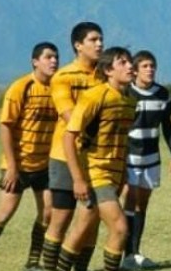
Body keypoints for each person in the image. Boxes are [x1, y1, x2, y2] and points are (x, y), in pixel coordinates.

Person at [59, 47, 136, 271]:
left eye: (130, 62)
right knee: (120, 228)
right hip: (94, 173)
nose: (130, 66)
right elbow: (68, 137)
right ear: (108, 70)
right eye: (122, 62)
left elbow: (122, 141)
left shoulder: (131, 101)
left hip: (112, 175)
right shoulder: (95, 96)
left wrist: (122, 175)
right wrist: (78, 179)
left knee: (82, 230)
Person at [42, 21, 104, 271]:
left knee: (92, 219)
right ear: (78, 45)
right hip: (64, 156)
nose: (99, 44)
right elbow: (70, 116)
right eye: (93, 39)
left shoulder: (104, 75)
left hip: (96, 158)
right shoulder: (63, 77)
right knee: (61, 218)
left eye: (101, 39)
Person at [0, 42, 59, 271]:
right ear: (35, 61)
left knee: (48, 213)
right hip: (19, 165)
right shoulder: (21, 87)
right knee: (4, 214)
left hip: (45, 166)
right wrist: (12, 167)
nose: (54, 61)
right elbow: (5, 126)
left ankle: (33, 262)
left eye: (56, 57)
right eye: (48, 57)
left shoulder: (57, 88)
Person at [121, 50, 171, 270]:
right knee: (130, 200)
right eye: (145, 66)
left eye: (152, 65)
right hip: (129, 158)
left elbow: (168, 127)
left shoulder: (162, 93)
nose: (150, 69)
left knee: (142, 204)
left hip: (152, 158)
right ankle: (125, 253)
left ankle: (135, 252)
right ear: (135, 70)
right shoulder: (127, 92)